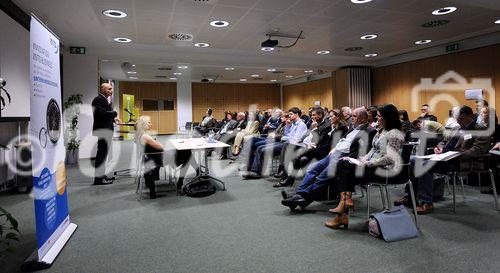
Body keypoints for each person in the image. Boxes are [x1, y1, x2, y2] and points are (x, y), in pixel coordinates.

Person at [394, 106, 490, 214]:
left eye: (461, 119)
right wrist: (439, 147)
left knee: (424, 164)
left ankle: (426, 202)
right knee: (413, 160)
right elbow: (444, 141)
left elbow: (477, 150)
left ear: (470, 116)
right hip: (443, 157)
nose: (459, 121)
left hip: (460, 161)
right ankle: (411, 196)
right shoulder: (457, 127)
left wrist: (457, 154)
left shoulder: (481, 129)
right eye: (457, 119)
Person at [324, 104, 405, 229]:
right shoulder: (381, 130)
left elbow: (390, 158)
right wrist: (362, 159)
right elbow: (372, 151)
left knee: (345, 170)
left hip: (385, 170)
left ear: (388, 118)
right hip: (371, 166)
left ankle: (343, 209)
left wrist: (370, 163)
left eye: (379, 116)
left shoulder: (395, 134)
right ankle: (345, 202)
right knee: (344, 163)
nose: (376, 119)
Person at [281, 107, 376, 210]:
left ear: (362, 118)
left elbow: (362, 151)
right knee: (312, 169)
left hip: (344, 158)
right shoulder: (352, 128)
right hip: (333, 154)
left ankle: (299, 199)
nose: (351, 118)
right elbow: (343, 140)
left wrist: (346, 157)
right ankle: (299, 196)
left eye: (354, 116)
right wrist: (335, 148)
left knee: (322, 176)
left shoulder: (369, 131)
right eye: (352, 115)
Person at [242, 107, 307, 179]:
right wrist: (288, 126)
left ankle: (255, 172)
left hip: (290, 146)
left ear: (297, 114)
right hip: (283, 142)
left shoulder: (301, 125)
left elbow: (295, 139)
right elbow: (287, 135)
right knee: (259, 147)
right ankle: (254, 171)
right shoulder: (293, 124)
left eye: (291, 114)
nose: (289, 116)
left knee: (262, 149)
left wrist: (280, 137)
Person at [274, 107, 331, 187]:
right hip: (309, 146)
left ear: (320, 115)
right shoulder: (314, 123)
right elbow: (304, 137)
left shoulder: (326, 126)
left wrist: (315, 129)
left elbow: (319, 140)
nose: (312, 117)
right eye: (311, 115)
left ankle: (288, 178)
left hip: (319, 150)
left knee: (293, 151)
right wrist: (311, 130)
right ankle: (288, 177)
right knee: (291, 149)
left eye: (314, 115)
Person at [92, 83, 120, 185]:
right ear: (103, 89)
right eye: (109, 89)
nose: (111, 91)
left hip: (105, 130)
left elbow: (104, 114)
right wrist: (114, 113)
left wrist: (113, 119)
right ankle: (98, 179)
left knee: (103, 154)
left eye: (111, 89)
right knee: (101, 155)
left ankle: (101, 176)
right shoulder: (98, 99)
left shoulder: (103, 99)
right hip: (103, 130)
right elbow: (101, 113)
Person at [135, 116, 164, 199]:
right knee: (186, 153)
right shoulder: (145, 136)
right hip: (155, 159)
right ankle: (180, 183)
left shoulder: (140, 134)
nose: (151, 124)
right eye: (149, 122)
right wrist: (158, 143)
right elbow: (160, 147)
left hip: (147, 158)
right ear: (143, 124)